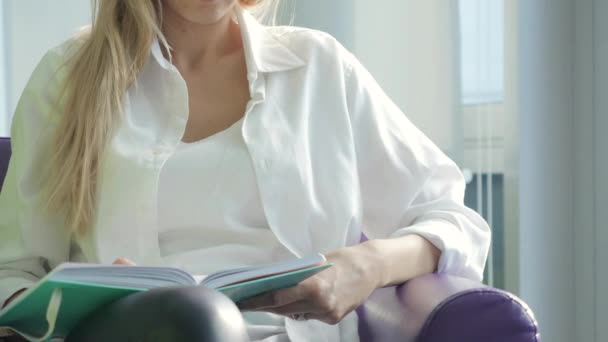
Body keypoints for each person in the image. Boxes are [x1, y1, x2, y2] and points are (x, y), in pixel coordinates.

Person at [0, 0, 491, 341]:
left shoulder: (316, 67)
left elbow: (452, 216)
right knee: (192, 318)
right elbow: (14, 274)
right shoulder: (66, 80)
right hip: (137, 334)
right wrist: (94, 295)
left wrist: (368, 265)